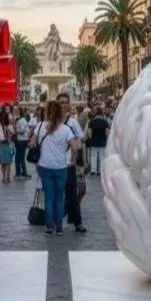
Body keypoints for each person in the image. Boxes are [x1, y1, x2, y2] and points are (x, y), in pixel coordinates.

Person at [31, 99, 80, 236]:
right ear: (60, 113)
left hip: (44, 166)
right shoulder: (65, 129)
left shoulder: (41, 126)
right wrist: (74, 159)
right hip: (61, 166)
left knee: (48, 197)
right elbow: (75, 147)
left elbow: (32, 141)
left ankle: (49, 227)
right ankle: (59, 227)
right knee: (60, 197)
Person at [57, 92, 87, 233]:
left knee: (72, 194)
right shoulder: (52, 120)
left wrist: (77, 158)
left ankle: (77, 222)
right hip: (54, 164)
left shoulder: (73, 121)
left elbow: (81, 138)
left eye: (65, 102)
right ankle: (55, 221)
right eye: (61, 102)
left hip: (69, 163)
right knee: (56, 194)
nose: (63, 105)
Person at [87, 105, 110, 177]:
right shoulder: (105, 122)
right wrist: (106, 139)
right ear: (102, 113)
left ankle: (93, 171)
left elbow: (89, 132)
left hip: (94, 141)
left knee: (93, 156)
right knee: (102, 157)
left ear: (95, 113)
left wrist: (91, 138)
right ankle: (100, 171)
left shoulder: (91, 122)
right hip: (102, 142)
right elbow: (107, 132)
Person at [0, 108, 14, 184]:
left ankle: (4, 177)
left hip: (2, 145)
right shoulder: (9, 126)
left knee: (3, 162)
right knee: (8, 162)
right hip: (8, 145)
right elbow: (13, 133)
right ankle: (7, 177)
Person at [14, 108, 30, 178]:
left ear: (20, 112)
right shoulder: (18, 119)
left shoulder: (22, 120)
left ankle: (23, 172)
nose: (15, 112)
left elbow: (23, 130)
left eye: (16, 111)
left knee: (21, 157)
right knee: (18, 157)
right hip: (20, 140)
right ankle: (18, 172)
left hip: (22, 140)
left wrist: (16, 130)